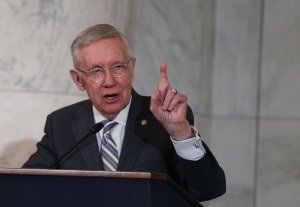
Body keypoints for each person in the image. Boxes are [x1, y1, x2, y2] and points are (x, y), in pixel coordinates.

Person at [23, 24, 226, 201]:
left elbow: (209, 190)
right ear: (78, 80)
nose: (109, 81)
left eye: (118, 67)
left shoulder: (163, 119)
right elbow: (23, 186)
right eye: (96, 71)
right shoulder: (62, 124)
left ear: (132, 69)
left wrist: (181, 133)